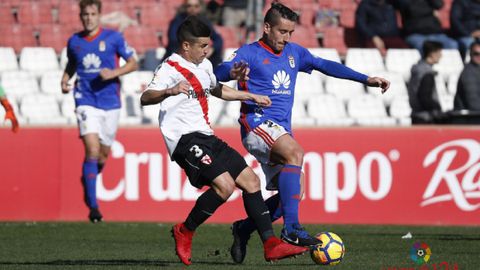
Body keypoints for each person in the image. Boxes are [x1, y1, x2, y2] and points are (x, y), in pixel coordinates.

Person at [214, 2, 390, 264]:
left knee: (293, 194)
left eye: (290, 33)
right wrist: (229, 73)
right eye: (282, 31)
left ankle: (244, 229)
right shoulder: (248, 53)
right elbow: (215, 75)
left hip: (280, 130)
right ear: (267, 28)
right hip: (256, 124)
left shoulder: (295, 52)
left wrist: (365, 79)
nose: (286, 38)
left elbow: (325, 65)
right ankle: (292, 229)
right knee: (296, 153)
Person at [140, 16, 308, 266]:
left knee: (251, 182)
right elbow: (146, 97)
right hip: (183, 139)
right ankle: (185, 230)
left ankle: (270, 245)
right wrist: (169, 91)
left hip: (206, 135)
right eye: (202, 46)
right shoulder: (169, 68)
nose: (208, 50)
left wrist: (250, 95)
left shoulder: (205, 65)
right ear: (186, 46)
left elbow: (217, 89)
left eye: (208, 45)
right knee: (225, 186)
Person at [61, 0, 138, 223]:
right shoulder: (74, 41)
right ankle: (94, 208)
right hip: (85, 100)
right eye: (85, 14)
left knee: (103, 154)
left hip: (110, 103)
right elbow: (72, 64)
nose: (88, 18)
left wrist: (114, 73)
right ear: (80, 16)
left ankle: (89, 180)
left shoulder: (113, 38)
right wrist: (65, 79)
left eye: (92, 14)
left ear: (99, 15)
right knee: (92, 150)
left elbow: (133, 63)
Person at [162, 0, 224, 67]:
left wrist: (212, 48)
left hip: (197, 53)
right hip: (182, 53)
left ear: (200, 7)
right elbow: (173, 40)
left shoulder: (204, 21)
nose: (192, 9)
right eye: (189, 6)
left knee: (215, 57)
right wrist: (194, 48)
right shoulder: (177, 21)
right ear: (185, 7)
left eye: (196, 6)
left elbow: (217, 38)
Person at [392, 0, 458, 53]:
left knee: (452, 44)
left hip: (435, 33)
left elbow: (439, 4)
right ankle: (425, 68)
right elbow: (411, 9)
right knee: (424, 48)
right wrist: (428, 9)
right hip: (416, 34)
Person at [407, 41, 444, 124]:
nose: (441, 56)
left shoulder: (418, 70)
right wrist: (437, 111)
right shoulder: (426, 73)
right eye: (439, 52)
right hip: (426, 118)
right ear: (432, 54)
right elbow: (425, 98)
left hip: (417, 115)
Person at [454, 40, 480, 111]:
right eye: (476, 54)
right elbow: (473, 103)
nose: (479, 56)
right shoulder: (468, 74)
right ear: (470, 54)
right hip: (470, 118)